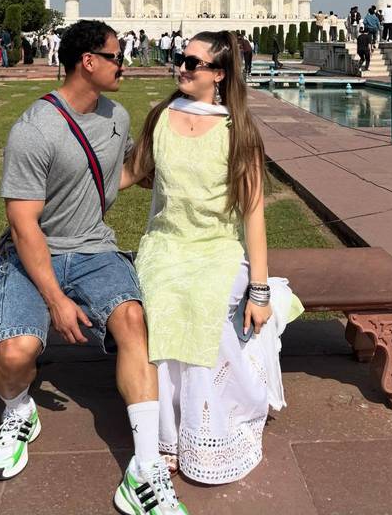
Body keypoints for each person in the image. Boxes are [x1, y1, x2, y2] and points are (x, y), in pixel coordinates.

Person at [0, 20, 189, 514]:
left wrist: (180, 133)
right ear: (88, 62)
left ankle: (146, 467)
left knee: (133, 321)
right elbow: (24, 225)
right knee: (16, 354)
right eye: (115, 57)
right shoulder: (35, 129)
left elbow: (117, 175)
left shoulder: (116, 116)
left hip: (93, 249)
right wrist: (56, 299)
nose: (123, 66)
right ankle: (19, 410)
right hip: (34, 253)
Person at [122, 31, 303, 484]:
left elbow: (253, 215)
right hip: (166, 246)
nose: (180, 67)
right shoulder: (161, 117)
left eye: (191, 62)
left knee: (205, 304)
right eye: (179, 59)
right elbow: (131, 172)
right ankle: (168, 433)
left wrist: (259, 291)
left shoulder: (237, 131)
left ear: (219, 74)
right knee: (161, 302)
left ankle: (206, 430)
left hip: (217, 250)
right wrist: (70, 188)